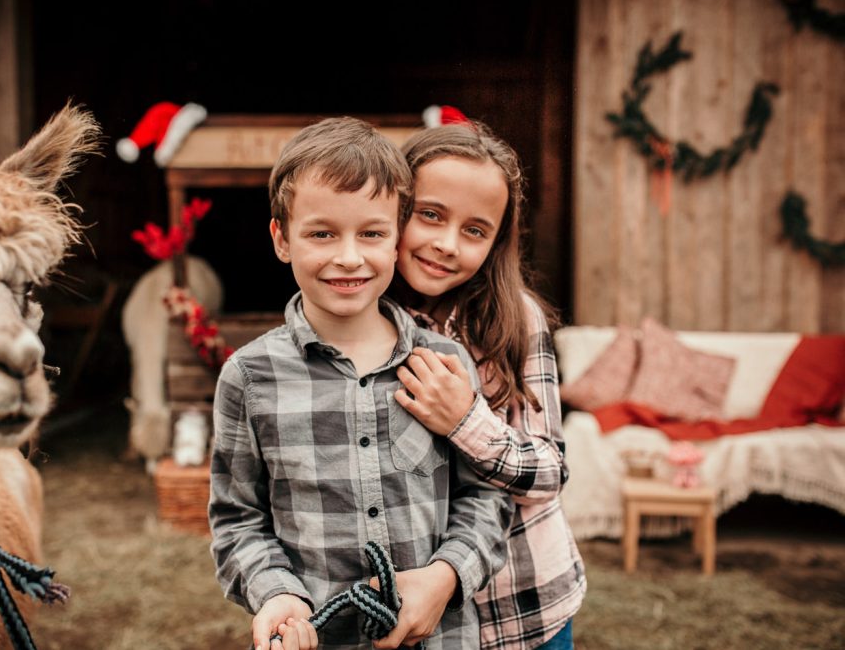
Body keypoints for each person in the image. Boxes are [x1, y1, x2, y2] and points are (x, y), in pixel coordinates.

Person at [208, 117, 512, 650]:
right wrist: (278, 594)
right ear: (281, 239)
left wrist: (445, 577)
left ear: (397, 238)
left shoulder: (443, 363)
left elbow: (485, 498)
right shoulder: (250, 377)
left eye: (371, 233)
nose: (348, 257)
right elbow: (238, 519)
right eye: (322, 233)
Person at [390, 121, 586, 650]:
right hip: (410, 610)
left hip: (520, 606)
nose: (446, 244)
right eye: (429, 215)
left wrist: (465, 421)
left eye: (475, 230)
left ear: (498, 240)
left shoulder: (512, 320)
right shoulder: (364, 315)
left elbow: (551, 469)